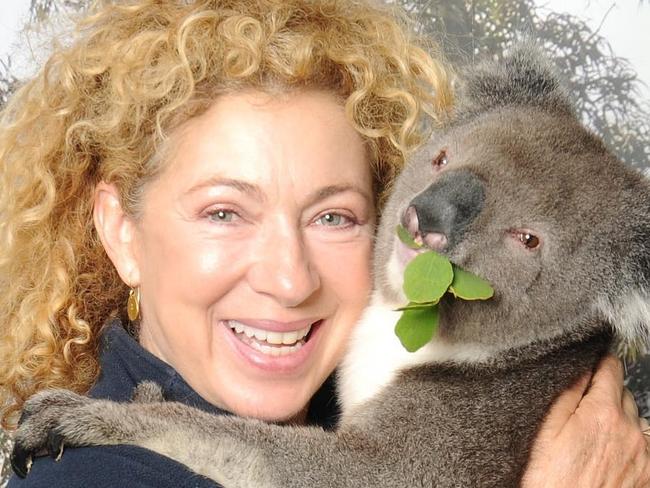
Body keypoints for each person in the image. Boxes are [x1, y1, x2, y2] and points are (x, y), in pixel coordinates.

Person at [0, 0, 648, 486]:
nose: (290, 279)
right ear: (121, 231)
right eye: (224, 212)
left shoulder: (362, 386)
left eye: (334, 217)